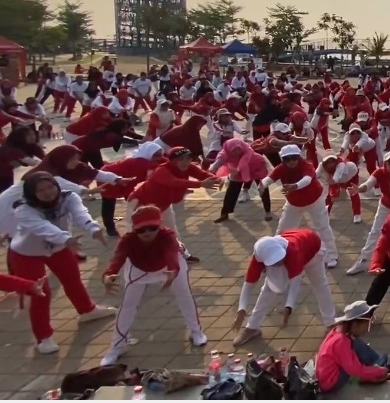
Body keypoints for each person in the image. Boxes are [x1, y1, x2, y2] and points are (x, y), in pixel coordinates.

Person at [6, 172, 117, 354]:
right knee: (41, 293)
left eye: (50, 186)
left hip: (60, 247)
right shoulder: (23, 209)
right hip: (26, 253)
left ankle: (87, 310)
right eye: (41, 190)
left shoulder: (68, 197)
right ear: (32, 193)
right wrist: (66, 239)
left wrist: (93, 228)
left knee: (73, 280)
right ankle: (43, 337)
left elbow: (80, 213)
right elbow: (43, 228)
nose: (48, 192)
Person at [100, 205, 206, 366]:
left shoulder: (167, 235)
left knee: (184, 295)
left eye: (152, 227)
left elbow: (171, 254)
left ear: (160, 224)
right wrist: (108, 275)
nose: (147, 232)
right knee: (127, 305)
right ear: (134, 228)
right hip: (139, 269)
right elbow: (117, 259)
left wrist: (173, 270)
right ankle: (117, 346)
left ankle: (196, 331)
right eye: (141, 229)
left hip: (169, 267)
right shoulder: (128, 240)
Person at [233, 229, 336, 346]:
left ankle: (330, 323)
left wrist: (289, 307)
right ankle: (252, 327)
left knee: (319, 284)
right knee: (268, 288)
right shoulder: (258, 258)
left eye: (280, 258)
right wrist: (241, 309)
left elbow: (295, 283)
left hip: (313, 248)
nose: (280, 261)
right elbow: (249, 284)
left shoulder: (292, 252)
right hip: (294, 250)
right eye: (276, 260)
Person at [315, 301, 390, 393]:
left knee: (357, 345)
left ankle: (377, 365)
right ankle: (378, 367)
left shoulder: (338, 332)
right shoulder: (341, 342)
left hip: (327, 376)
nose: (367, 329)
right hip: (331, 383)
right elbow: (356, 370)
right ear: (355, 324)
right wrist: (380, 371)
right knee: (359, 350)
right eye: (367, 324)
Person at [211, 138, 272, 223]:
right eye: (234, 150)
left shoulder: (248, 150)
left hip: (257, 167)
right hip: (238, 171)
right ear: (229, 150)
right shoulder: (225, 153)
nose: (237, 152)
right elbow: (219, 161)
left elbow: (243, 163)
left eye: (238, 149)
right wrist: (213, 169)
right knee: (231, 192)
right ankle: (225, 213)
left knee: (263, 188)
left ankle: (268, 212)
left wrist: (236, 170)